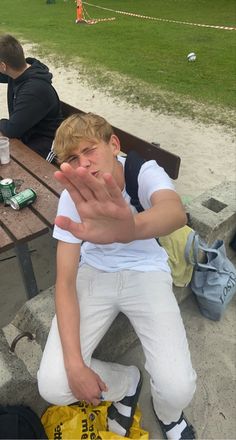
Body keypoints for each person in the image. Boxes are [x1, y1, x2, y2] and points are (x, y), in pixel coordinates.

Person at [37, 113, 197, 439]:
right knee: (54, 384)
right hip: (95, 272)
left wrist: (129, 229)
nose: (84, 165)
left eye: (90, 150)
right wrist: (75, 364)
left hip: (147, 271)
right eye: (72, 159)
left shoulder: (142, 172)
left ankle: (168, 415)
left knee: (178, 388)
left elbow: (174, 211)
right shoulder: (73, 197)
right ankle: (126, 382)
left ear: (113, 145)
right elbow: (65, 280)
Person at [0, 34, 63, 160]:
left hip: (45, 145)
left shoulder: (33, 90)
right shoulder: (19, 71)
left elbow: (12, 129)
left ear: (3, 66)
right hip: (26, 135)